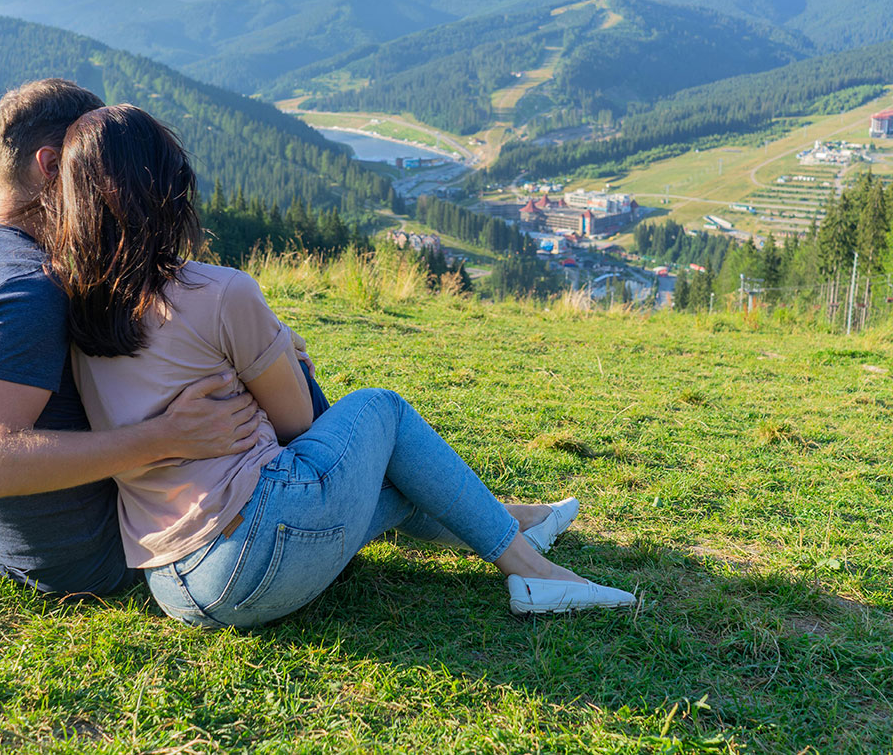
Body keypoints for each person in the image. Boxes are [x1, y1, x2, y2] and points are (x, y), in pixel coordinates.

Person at [41, 104, 638, 624]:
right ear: (167, 189)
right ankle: (532, 569)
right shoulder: (219, 293)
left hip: (176, 583)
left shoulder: (75, 305)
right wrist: (277, 354)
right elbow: (300, 423)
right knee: (382, 413)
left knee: (407, 471)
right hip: (252, 549)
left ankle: (515, 520)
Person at [0, 79, 273, 597]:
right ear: (53, 166)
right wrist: (168, 435)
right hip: (84, 554)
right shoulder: (30, 289)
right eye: (91, 163)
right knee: (272, 369)